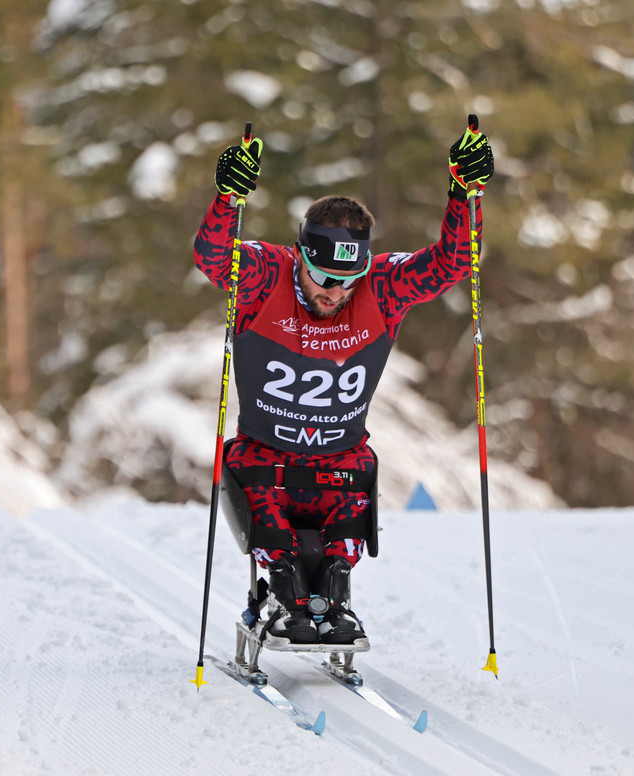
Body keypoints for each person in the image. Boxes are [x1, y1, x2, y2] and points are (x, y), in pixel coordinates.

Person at [194, 123, 494, 644]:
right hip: (267, 457)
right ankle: (283, 592)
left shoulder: (381, 287)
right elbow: (214, 258)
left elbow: (454, 263)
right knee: (251, 483)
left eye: (348, 279)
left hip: (339, 459)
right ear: (300, 257)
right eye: (323, 277)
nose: (336, 292)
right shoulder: (267, 274)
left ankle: (335, 596)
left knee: (357, 488)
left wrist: (464, 195)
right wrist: (227, 198)